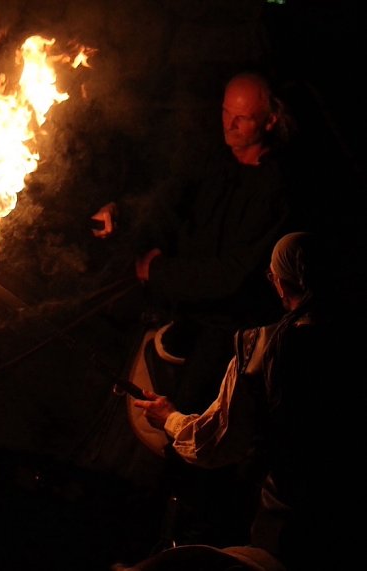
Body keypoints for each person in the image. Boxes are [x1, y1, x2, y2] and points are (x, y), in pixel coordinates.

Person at [118, 232, 361, 570]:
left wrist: (169, 418)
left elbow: (215, 444)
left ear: (281, 284)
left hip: (287, 532)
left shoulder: (260, 349)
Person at [92, 70, 295, 414]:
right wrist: (120, 212)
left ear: (271, 120)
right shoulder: (213, 159)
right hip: (182, 302)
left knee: (186, 414)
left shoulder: (276, 191)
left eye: (241, 118)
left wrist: (158, 272)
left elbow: (232, 276)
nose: (229, 125)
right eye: (225, 112)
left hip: (229, 325)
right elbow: (168, 200)